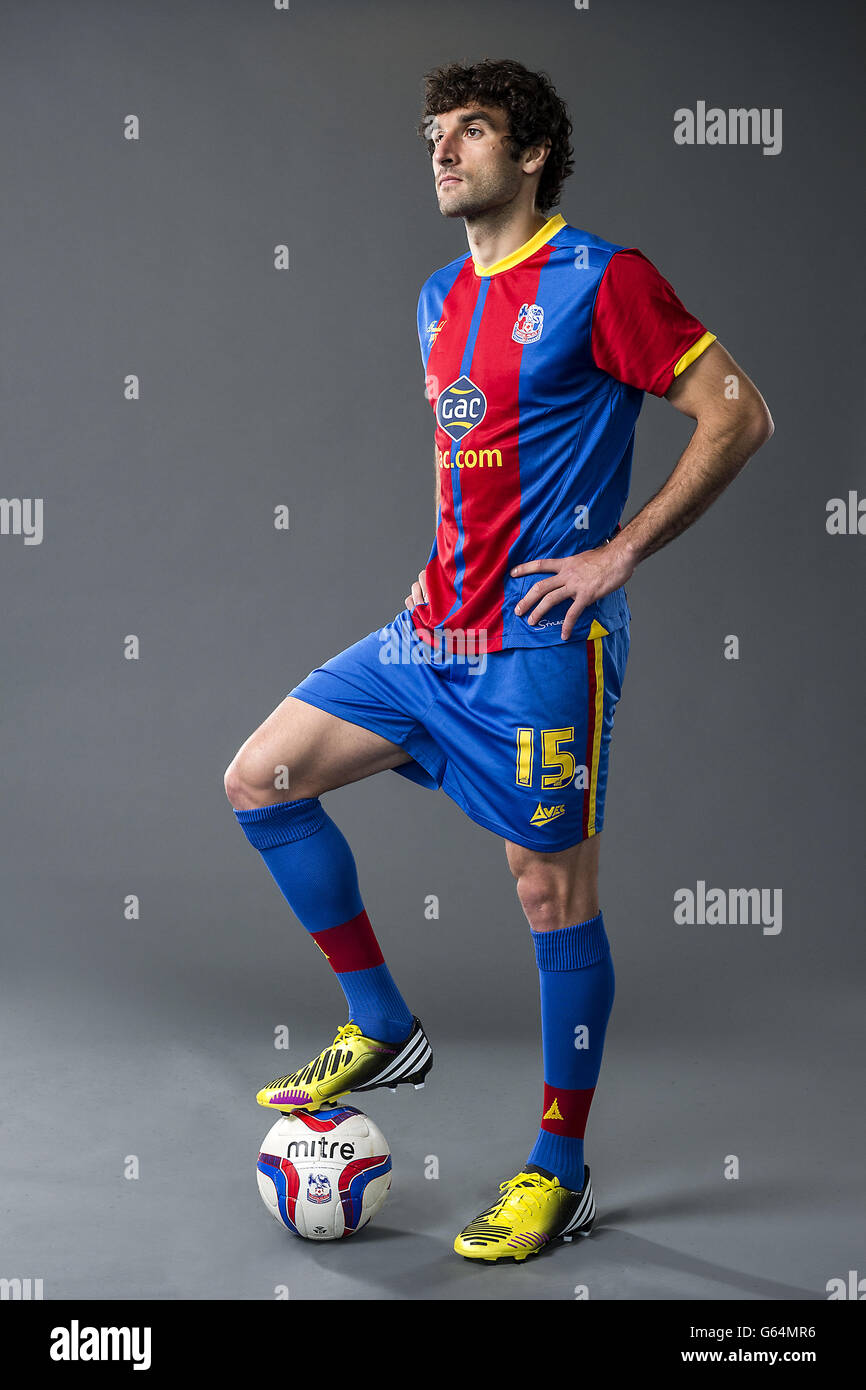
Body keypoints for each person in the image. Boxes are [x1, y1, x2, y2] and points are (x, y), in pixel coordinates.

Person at [225, 58, 773, 1263]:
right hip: (432, 637)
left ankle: (557, 1171)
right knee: (262, 777)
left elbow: (737, 413)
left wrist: (619, 551)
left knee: (546, 893)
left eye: (469, 130)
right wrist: (433, 569)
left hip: (541, 646)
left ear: (530, 154)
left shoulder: (601, 280)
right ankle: (382, 1023)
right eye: (433, 132)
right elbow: (470, 461)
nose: (442, 149)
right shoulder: (433, 297)